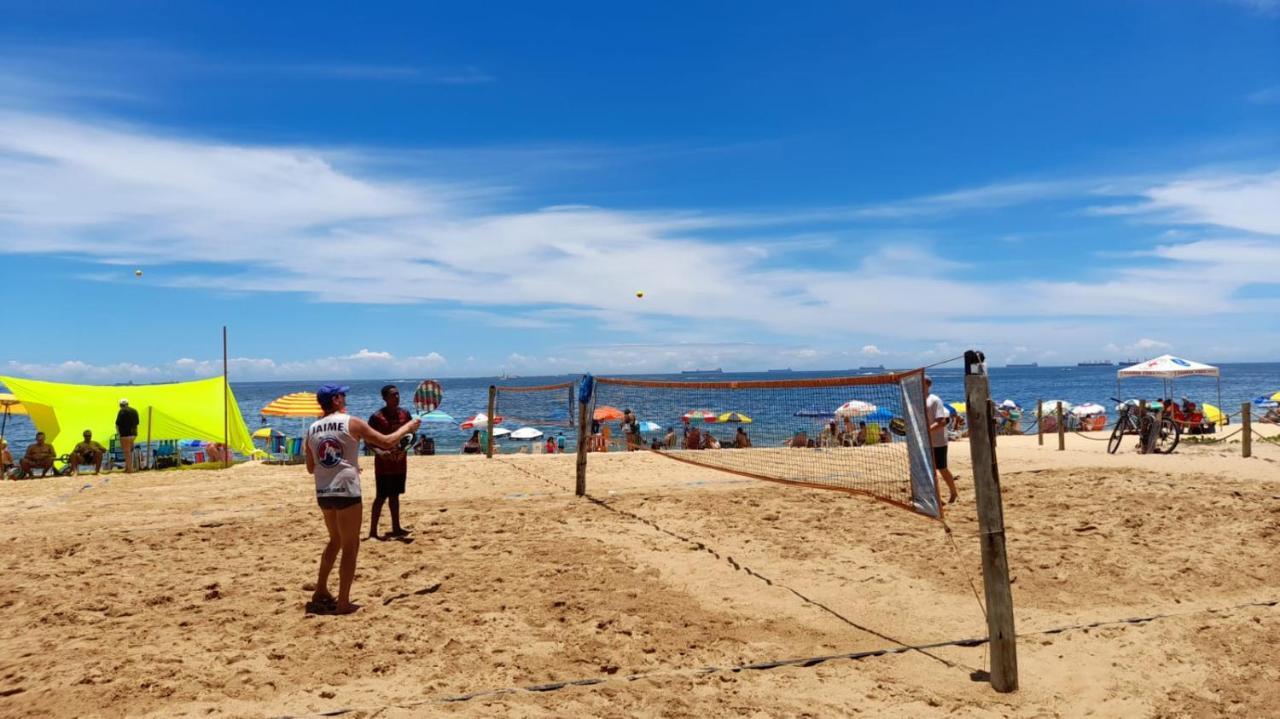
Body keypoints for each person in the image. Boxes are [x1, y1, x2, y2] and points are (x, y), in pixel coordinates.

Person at [305, 383, 419, 616]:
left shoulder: (312, 428)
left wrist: (343, 464)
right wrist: (408, 426)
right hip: (346, 490)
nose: (345, 397)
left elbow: (310, 467)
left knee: (334, 540)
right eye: (342, 395)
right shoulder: (351, 422)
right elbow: (386, 441)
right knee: (350, 546)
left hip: (324, 491)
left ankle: (320, 590)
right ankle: (343, 602)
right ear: (335, 400)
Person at [367, 385, 414, 540]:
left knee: (395, 496)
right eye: (393, 395)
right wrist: (380, 452)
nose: (397, 397)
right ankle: (373, 532)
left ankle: (396, 527)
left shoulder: (405, 414)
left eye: (398, 394)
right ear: (385, 398)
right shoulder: (377, 417)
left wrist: (404, 450)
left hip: (400, 462)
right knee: (381, 496)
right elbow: (367, 440)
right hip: (383, 465)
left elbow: (411, 435)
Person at [925, 376, 958, 504]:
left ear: (928, 384)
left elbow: (942, 422)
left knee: (942, 468)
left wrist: (927, 431)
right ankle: (935, 497)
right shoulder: (918, 400)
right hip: (925, 441)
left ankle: (953, 492)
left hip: (938, 441)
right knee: (928, 469)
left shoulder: (935, 400)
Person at [116, 398, 140, 473]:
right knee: (130, 450)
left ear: (120, 405)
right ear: (128, 404)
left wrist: (119, 433)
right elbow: (137, 423)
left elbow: (117, 424)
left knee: (127, 452)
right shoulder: (134, 410)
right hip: (133, 434)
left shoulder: (121, 411)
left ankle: (130, 469)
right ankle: (128, 467)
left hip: (125, 434)